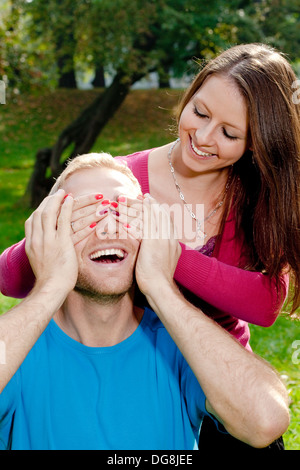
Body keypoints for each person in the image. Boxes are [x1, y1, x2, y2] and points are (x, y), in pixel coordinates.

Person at [0, 43, 299, 447]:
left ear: (255, 144)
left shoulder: (259, 198)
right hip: (138, 364)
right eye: (199, 112)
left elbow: (265, 305)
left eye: (229, 133)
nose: (204, 137)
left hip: (214, 374)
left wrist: (168, 262)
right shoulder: (119, 182)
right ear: (188, 95)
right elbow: (11, 276)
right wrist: (59, 225)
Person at [0, 153, 290, 450]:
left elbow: (266, 420)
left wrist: (161, 286)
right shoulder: (19, 350)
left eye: (126, 213)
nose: (109, 229)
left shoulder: (179, 345)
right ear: (51, 235)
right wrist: (50, 286)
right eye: (85, 215)